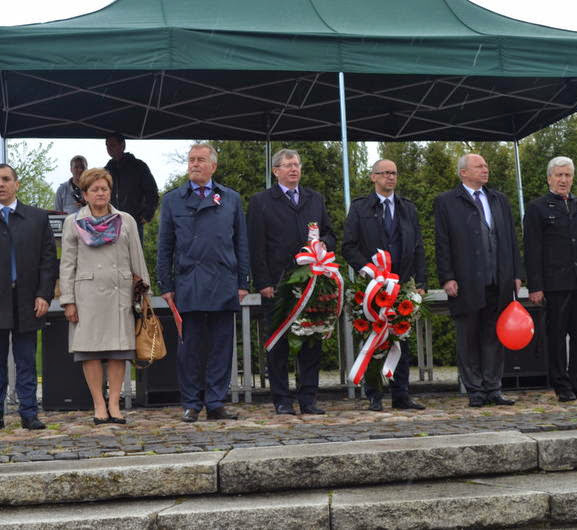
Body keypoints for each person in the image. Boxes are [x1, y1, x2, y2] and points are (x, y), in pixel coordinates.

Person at [157, 143, 249, 423]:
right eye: (191, 160)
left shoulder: (230, 198)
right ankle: (191, 403)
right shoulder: (173, 200)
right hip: (190, 282)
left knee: (221, 347)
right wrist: (166, 285)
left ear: (213, 166)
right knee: (191, 349)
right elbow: (165, 246)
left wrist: (243, 281)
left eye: (200, 160)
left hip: (223, 281)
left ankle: (216, 402)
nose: (194, 164)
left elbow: (241, 242)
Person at [0, 163, 57, 433]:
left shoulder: (37, 218)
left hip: (28, 299)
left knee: (26, 359)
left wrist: (44, 294)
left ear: (17, 184)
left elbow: (48, 261)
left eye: (5, 179)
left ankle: (29, 413)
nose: (0, 184)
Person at [247, 148, 336, 416]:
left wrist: (323, 243)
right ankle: (282, 399)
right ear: (276, 171)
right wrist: (263, 281)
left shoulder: (315, 199)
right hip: (278, 284)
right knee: (278, 344)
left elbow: (330, 234)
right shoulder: (261, 201)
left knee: (311, 342)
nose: (293, 169)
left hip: (312, 284)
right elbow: (256, 246)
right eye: (287, 165)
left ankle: (308, 398)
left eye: (296, 164)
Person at [59, 168, 150, 424]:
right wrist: (68, 301)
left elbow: (137, 258)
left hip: (120, 295)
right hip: (86, 297)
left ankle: (115, 404)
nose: (100, 193)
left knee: (118, 352)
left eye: (105, 189)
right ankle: (99, 404)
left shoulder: (126, 220)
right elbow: (67, 264)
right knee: (90, 352)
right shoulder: (73, 222)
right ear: (85, 194)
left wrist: (145, 293)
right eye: (95, 189)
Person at [434, 154, 522, 408]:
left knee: (494, 337)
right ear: (463, 172)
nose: (485, 169)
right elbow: (442, 242)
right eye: (479, 166)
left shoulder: (498, 199)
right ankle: (475, 389)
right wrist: (447, 277)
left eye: (486, 165)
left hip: (498, 279)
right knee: (469, 338)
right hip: (466, 281)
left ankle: (493, 388)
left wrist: (516, 273)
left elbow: (511, 238)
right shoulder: (447, 201)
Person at [342, 159, 427, 412]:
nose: (390, 177)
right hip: (372, 286)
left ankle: (401, 395)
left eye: (394, 173)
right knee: (373, 339)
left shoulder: (407, 208)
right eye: (385, 173)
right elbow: (349, 246)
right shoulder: (360, 207)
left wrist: (421, 281)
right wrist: (368, 270)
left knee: (402, 337)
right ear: (373, 177)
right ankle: (374, 395)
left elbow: (418, 246)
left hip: (401, 284)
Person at [524, 156, 577, 402]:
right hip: (555, 284)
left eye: (567, 175)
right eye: (559, 175)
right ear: (549, 178)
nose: (563, 180)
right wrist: (535, 285)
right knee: (557, 336)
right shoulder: (537, 208)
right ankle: (562, 386)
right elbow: (532, 249)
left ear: (572, 178)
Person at [105, 132, 159, 242]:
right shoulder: (106, 170)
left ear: (123, 145)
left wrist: (148, 214)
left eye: (113, 145)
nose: (109, 148)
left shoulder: (138, 166)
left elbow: (152, 191)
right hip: (111, 223)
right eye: (107, 145)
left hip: (134, 221)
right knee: (112, 252)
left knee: (134, 252)